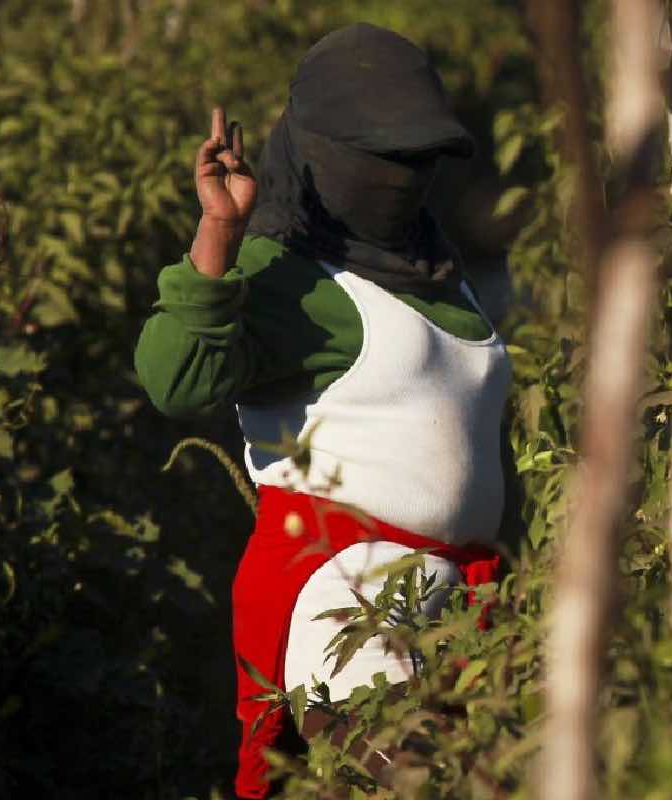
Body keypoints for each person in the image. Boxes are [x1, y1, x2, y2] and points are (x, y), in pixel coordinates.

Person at [134, 23, 511, 799]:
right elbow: (175, 380)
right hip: (349, 608)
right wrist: (218, 232)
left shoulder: (439, 268)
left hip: (453, 609)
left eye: (417, 159)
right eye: (384, 159)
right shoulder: (287, 273)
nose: (402, 179)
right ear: (315, 150)